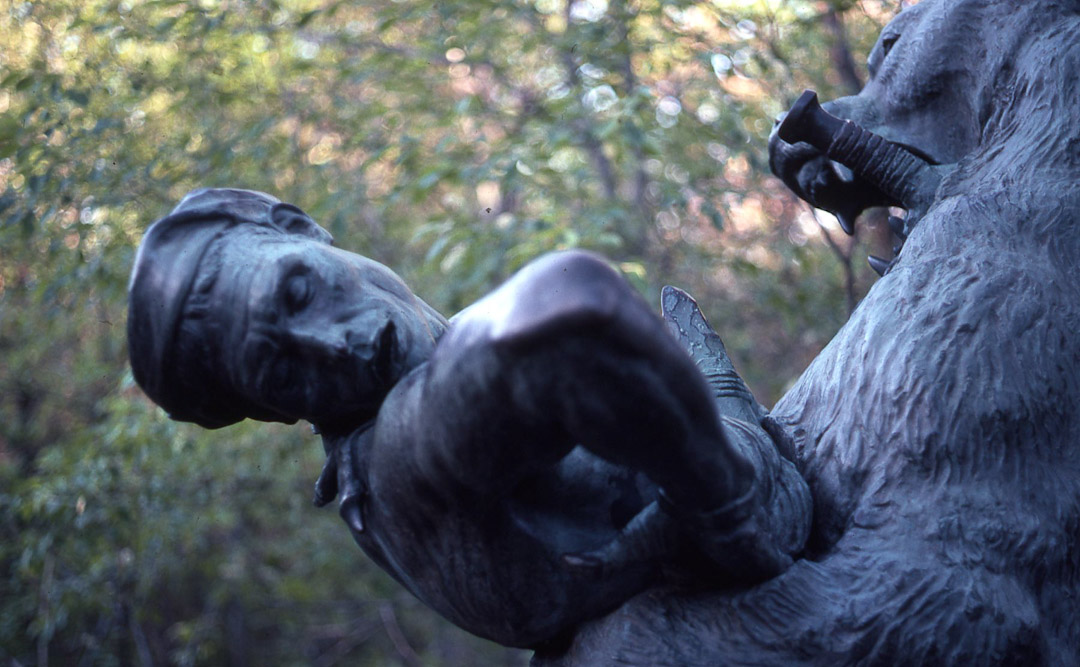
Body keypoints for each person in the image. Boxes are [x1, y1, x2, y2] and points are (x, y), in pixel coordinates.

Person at [127, 188, 811, 648]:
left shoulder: (438, 359)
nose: (337, 345)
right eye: (281, 374)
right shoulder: (400, 448)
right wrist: (726, 502)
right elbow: (573, 309)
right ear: (274, 412)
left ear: (300, 227)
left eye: (299, 292)